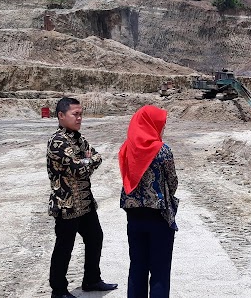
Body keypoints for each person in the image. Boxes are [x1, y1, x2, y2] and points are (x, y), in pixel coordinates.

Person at [47, 97, 118, 298]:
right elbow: (79, 169)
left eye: (81, 114)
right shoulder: (57, 142)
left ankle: (91, 280)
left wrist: (88, 159)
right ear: (61, 116)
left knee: (95, 238)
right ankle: (58, 290)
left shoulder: (78, 138)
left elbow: (97, 157)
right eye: (75, 114)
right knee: (64, 247)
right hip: (67, 204)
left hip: (85, 203)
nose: (79, 118)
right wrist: (87, 160)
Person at [118, 105, 179, 298]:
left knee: (137, 267)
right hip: (159, 217)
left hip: (134, 216)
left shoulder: (126, 148)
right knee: (160, 271)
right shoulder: (162, 151)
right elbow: (172, 182)